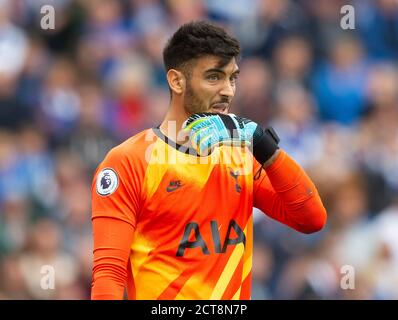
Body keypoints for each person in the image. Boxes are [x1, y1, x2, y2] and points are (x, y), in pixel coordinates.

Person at [91, 21, 327, 300]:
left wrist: (263, 144)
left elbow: (311, 218)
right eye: (214, 77)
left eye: (233, 78)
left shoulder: (241, 156)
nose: (227, 90)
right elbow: (108, 278)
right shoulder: (128, 162)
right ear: (177, 81)